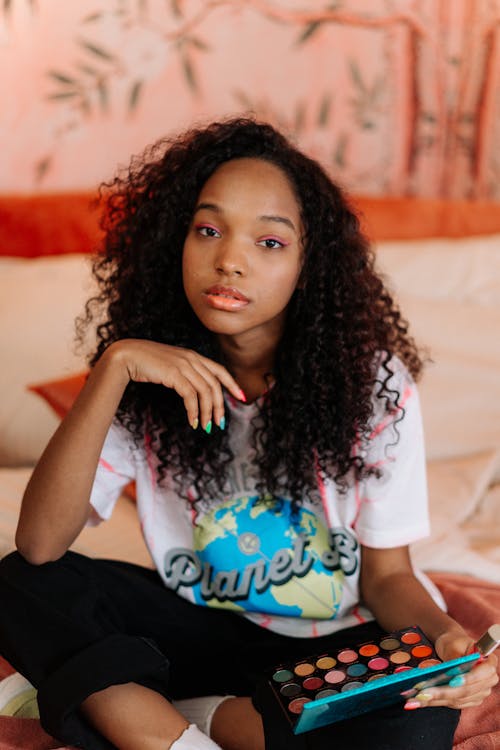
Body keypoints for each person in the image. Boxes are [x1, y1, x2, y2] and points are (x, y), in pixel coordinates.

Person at [0, 117, 497, 750]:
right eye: (207, 230)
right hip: (194, 628)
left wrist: (446, 637)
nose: (229, 260)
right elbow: (40, 544)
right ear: (172, 242)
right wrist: (115, 367)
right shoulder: (146, 377)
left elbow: (387, 577)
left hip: (330, 646)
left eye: (269, 243)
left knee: (418, 722)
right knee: (20, 581)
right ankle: (160, 722)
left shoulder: (374, 385)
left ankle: (182, 720)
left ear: (307, 263)